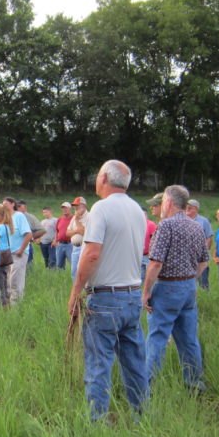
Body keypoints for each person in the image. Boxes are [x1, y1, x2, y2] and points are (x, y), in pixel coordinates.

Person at [68, 160, 148, 421]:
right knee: (134, 361)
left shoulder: (101, 209)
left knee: (98, 364)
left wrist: (76, 290)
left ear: (103, 178)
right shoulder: (137, 210)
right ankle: (141, 415)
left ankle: (96, 421)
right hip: (132, 294)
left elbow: (91, 254)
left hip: (104, 298)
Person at [142, 185, 209, 391]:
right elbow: (204, 261)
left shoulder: (166, 226)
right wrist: (190, 279)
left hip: (166, 288)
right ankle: (195, 383)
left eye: (162, 202)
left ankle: (146, 387)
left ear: (169, 202)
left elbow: (155, 263)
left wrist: (146, 292)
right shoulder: (196, 226)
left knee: (157, 337)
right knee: (189, 338)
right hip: (188, 287)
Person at [3, 197, 33, 303]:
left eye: (6, 203)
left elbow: (29, 234)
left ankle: (16, 304)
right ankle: (11, 303)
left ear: (12, 204)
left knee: (15, 280)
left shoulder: (19, 216)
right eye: (3, 204)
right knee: (8, 280)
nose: (4, 206)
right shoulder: (5, 219)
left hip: (18, 254)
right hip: (8, 254)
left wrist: (21, 250)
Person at [185, 199, 213, 290]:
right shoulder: (183, 220)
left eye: (190, 207)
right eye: (186, 207)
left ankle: (204, 300)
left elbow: (209, 237)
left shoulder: (203, 221)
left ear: (196, 209)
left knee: (203, 282)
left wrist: (204, 252)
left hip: (200, 257)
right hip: (186, 257)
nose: (187, 209)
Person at [66, 197, 88, 282]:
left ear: (84, 205)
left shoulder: (89, 217)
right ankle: (76, 292)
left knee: (83, 271)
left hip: (84, 247)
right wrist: (76, 231)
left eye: (77, 205)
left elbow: (84, 232)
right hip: (75, 247)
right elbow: (67, 233)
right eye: (74, 206)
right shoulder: (74, 218)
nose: (76, 208)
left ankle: (85, 291)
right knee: (74, 271)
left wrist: (78, 221)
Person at [17, 200, 45, 265]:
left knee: (28, 265)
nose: (17, 208)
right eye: (16, 206)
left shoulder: (30, 217)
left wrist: (32, 238)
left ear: (25, 208)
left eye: (19, 206)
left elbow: (42, 230)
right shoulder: (13, 216)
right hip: (14, 246)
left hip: (27, 245)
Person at [53, 202, 71, 270]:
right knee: (59, 265)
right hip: (60, 244)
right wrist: (55, 240)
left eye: (66, 208)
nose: (64, 210)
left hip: (70, 244)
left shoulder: (74, 219)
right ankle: (61, 278)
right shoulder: (60, 219)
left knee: (73, 263)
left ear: (70, 209)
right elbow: (57, 231)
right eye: (63, 208)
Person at [142, 208, 157, 280]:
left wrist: (150, 253)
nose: (143, 216)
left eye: (145, 214)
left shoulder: (150, 225)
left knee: (149, 276)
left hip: (147, 255)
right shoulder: (134, 225)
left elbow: (154, 240)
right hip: (138, 255)